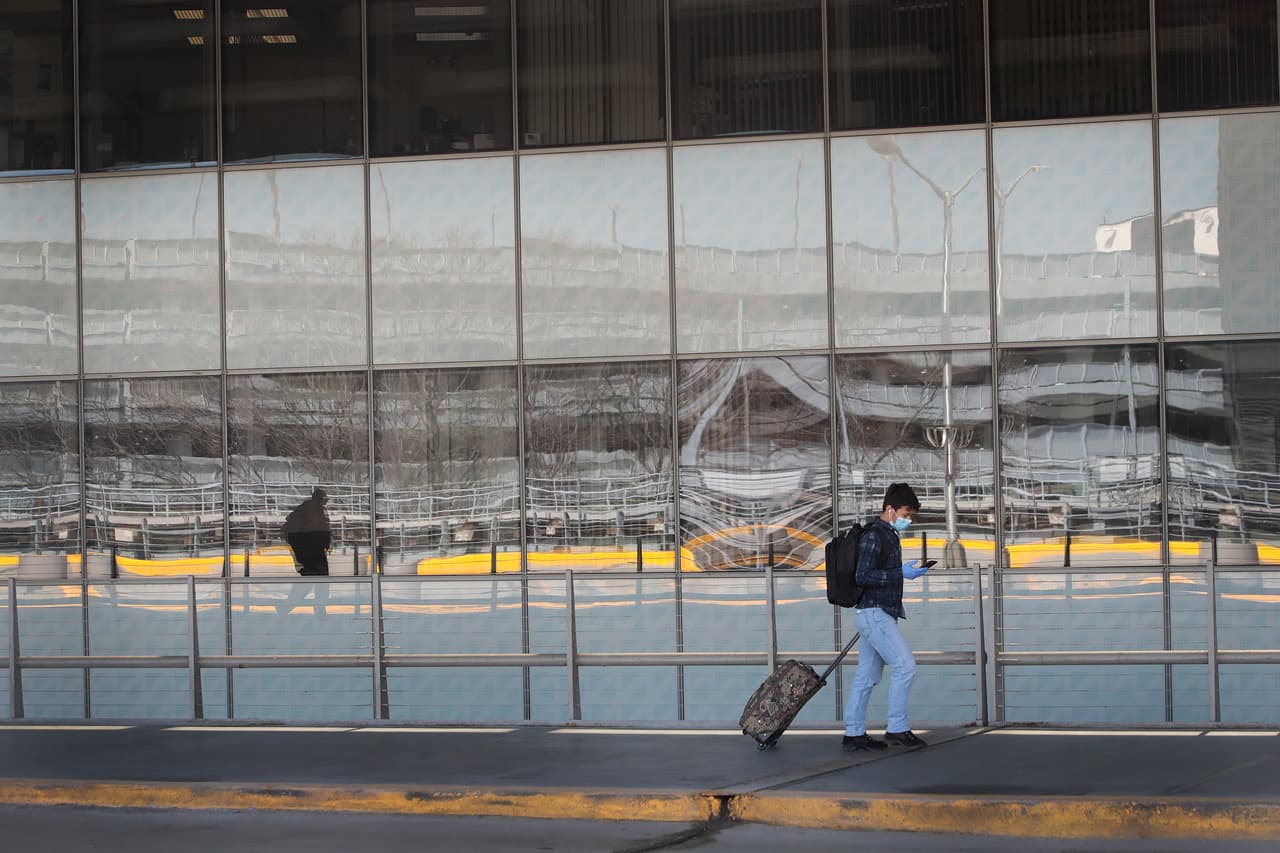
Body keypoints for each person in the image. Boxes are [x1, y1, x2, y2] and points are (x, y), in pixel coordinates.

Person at [842, 482, 931, 751]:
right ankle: (897, 728)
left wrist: (903, 571)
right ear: (890, 509)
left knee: (866, 676)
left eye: (911, 515)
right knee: (906, 666)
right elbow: (862, 575)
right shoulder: (874, 536)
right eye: (905, 513)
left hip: (878, 614)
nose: (908, 519)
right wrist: (900, 573)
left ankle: (854, 733)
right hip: (874, 614)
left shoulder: (889, 534)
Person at [282, 488, 332, 576]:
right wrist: (326, 542)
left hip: (302, 542)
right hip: (307, 543)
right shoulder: (316, 510)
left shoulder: (305, 507)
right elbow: (321, 527)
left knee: (311, 571)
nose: (325, 502)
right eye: (325, 500)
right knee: (318, 571)